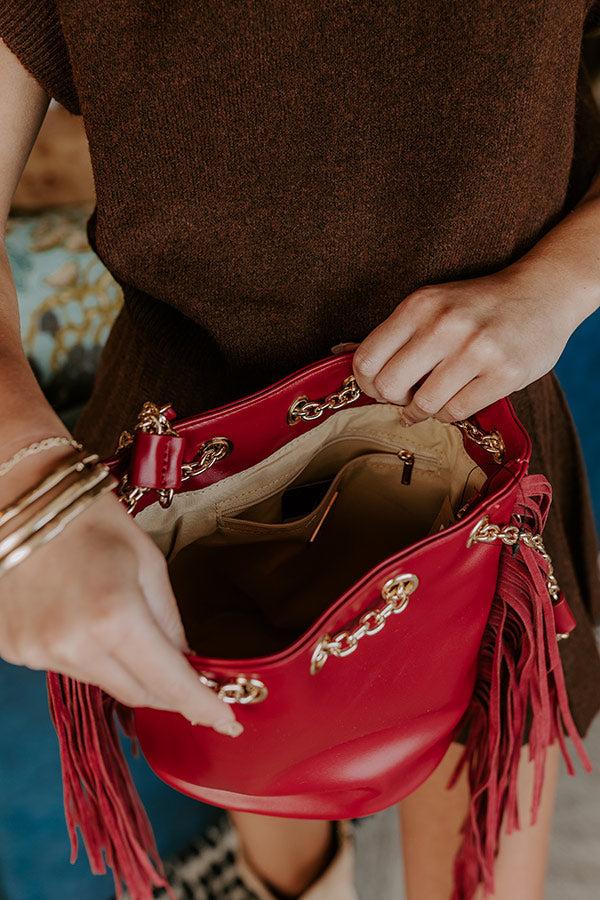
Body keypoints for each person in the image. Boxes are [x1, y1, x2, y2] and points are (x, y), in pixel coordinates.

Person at [1, 4, 600, 899]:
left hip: (477, 425)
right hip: (193, 443)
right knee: (264, 771)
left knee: (481, 843)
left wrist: (561, 282)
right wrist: (23, 481)